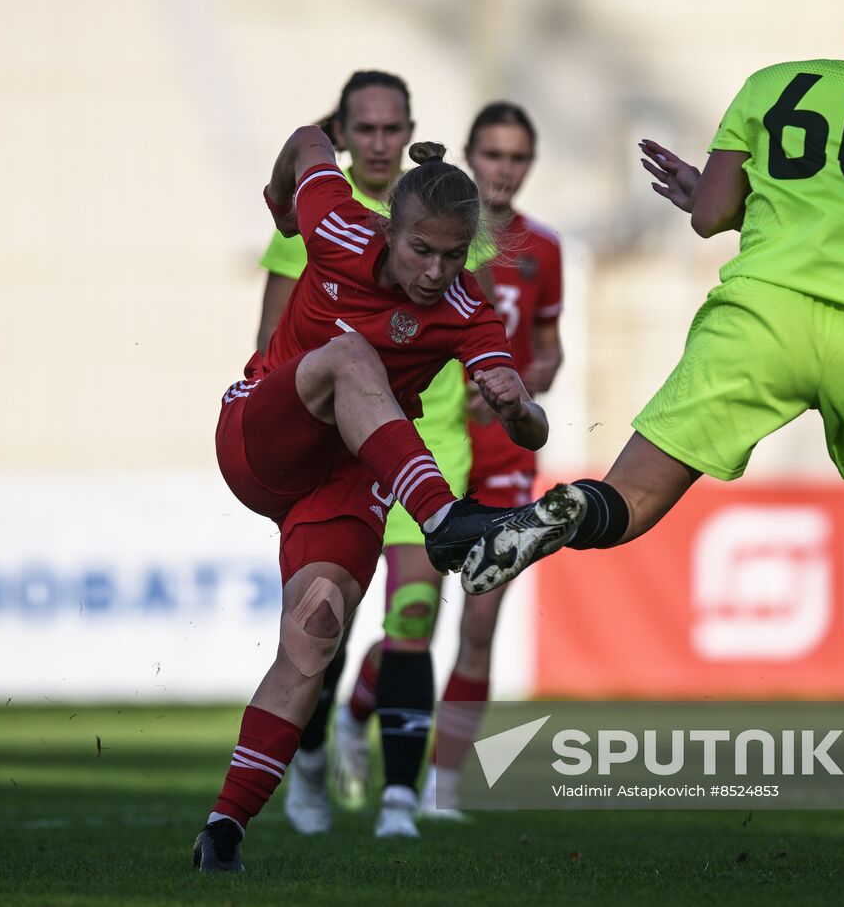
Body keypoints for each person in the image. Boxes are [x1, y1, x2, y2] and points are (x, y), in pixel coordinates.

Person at [464, 0, 844, 839]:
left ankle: (568, 510)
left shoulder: (769, 86)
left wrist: (713, 195)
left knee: (633, 501)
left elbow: (713, 213)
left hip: (759, 315)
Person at [193, 126, 582, 872]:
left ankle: (224, 827)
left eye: (452, 254)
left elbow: (530, 429)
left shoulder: (469, 309)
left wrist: (519, 406)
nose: (437, 272)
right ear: (389, 229)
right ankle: (444, 519)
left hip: (349, 479)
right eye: (421, 252)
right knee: (347, 355)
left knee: (314, 635)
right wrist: (280, 201)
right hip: (262, 437)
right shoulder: (337, 222)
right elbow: (309, 143)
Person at [253, 71, 478, 839]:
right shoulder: (326, 225)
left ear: (410, 128)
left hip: (428, 447)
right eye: (366, 129)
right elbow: (274, 351)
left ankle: (399, 802)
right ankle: (312, 756)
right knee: (327, 629)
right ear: (344, 135)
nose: (380, 142)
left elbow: (491, 336)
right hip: (336, 454)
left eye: (393, 128)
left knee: (413, 616)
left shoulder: (444, 216)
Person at [339, 102, 565, 824]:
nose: (505, 169)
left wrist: (522, 384)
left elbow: (550, 343)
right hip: (435, 441)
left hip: (504, 451)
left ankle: (441, 787)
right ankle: (360, 708)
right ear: (469, 157)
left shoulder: (543, 248)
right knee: (416, 616)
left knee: (480, 626)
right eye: (493, 155)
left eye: (518, 157)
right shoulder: (435, 235)